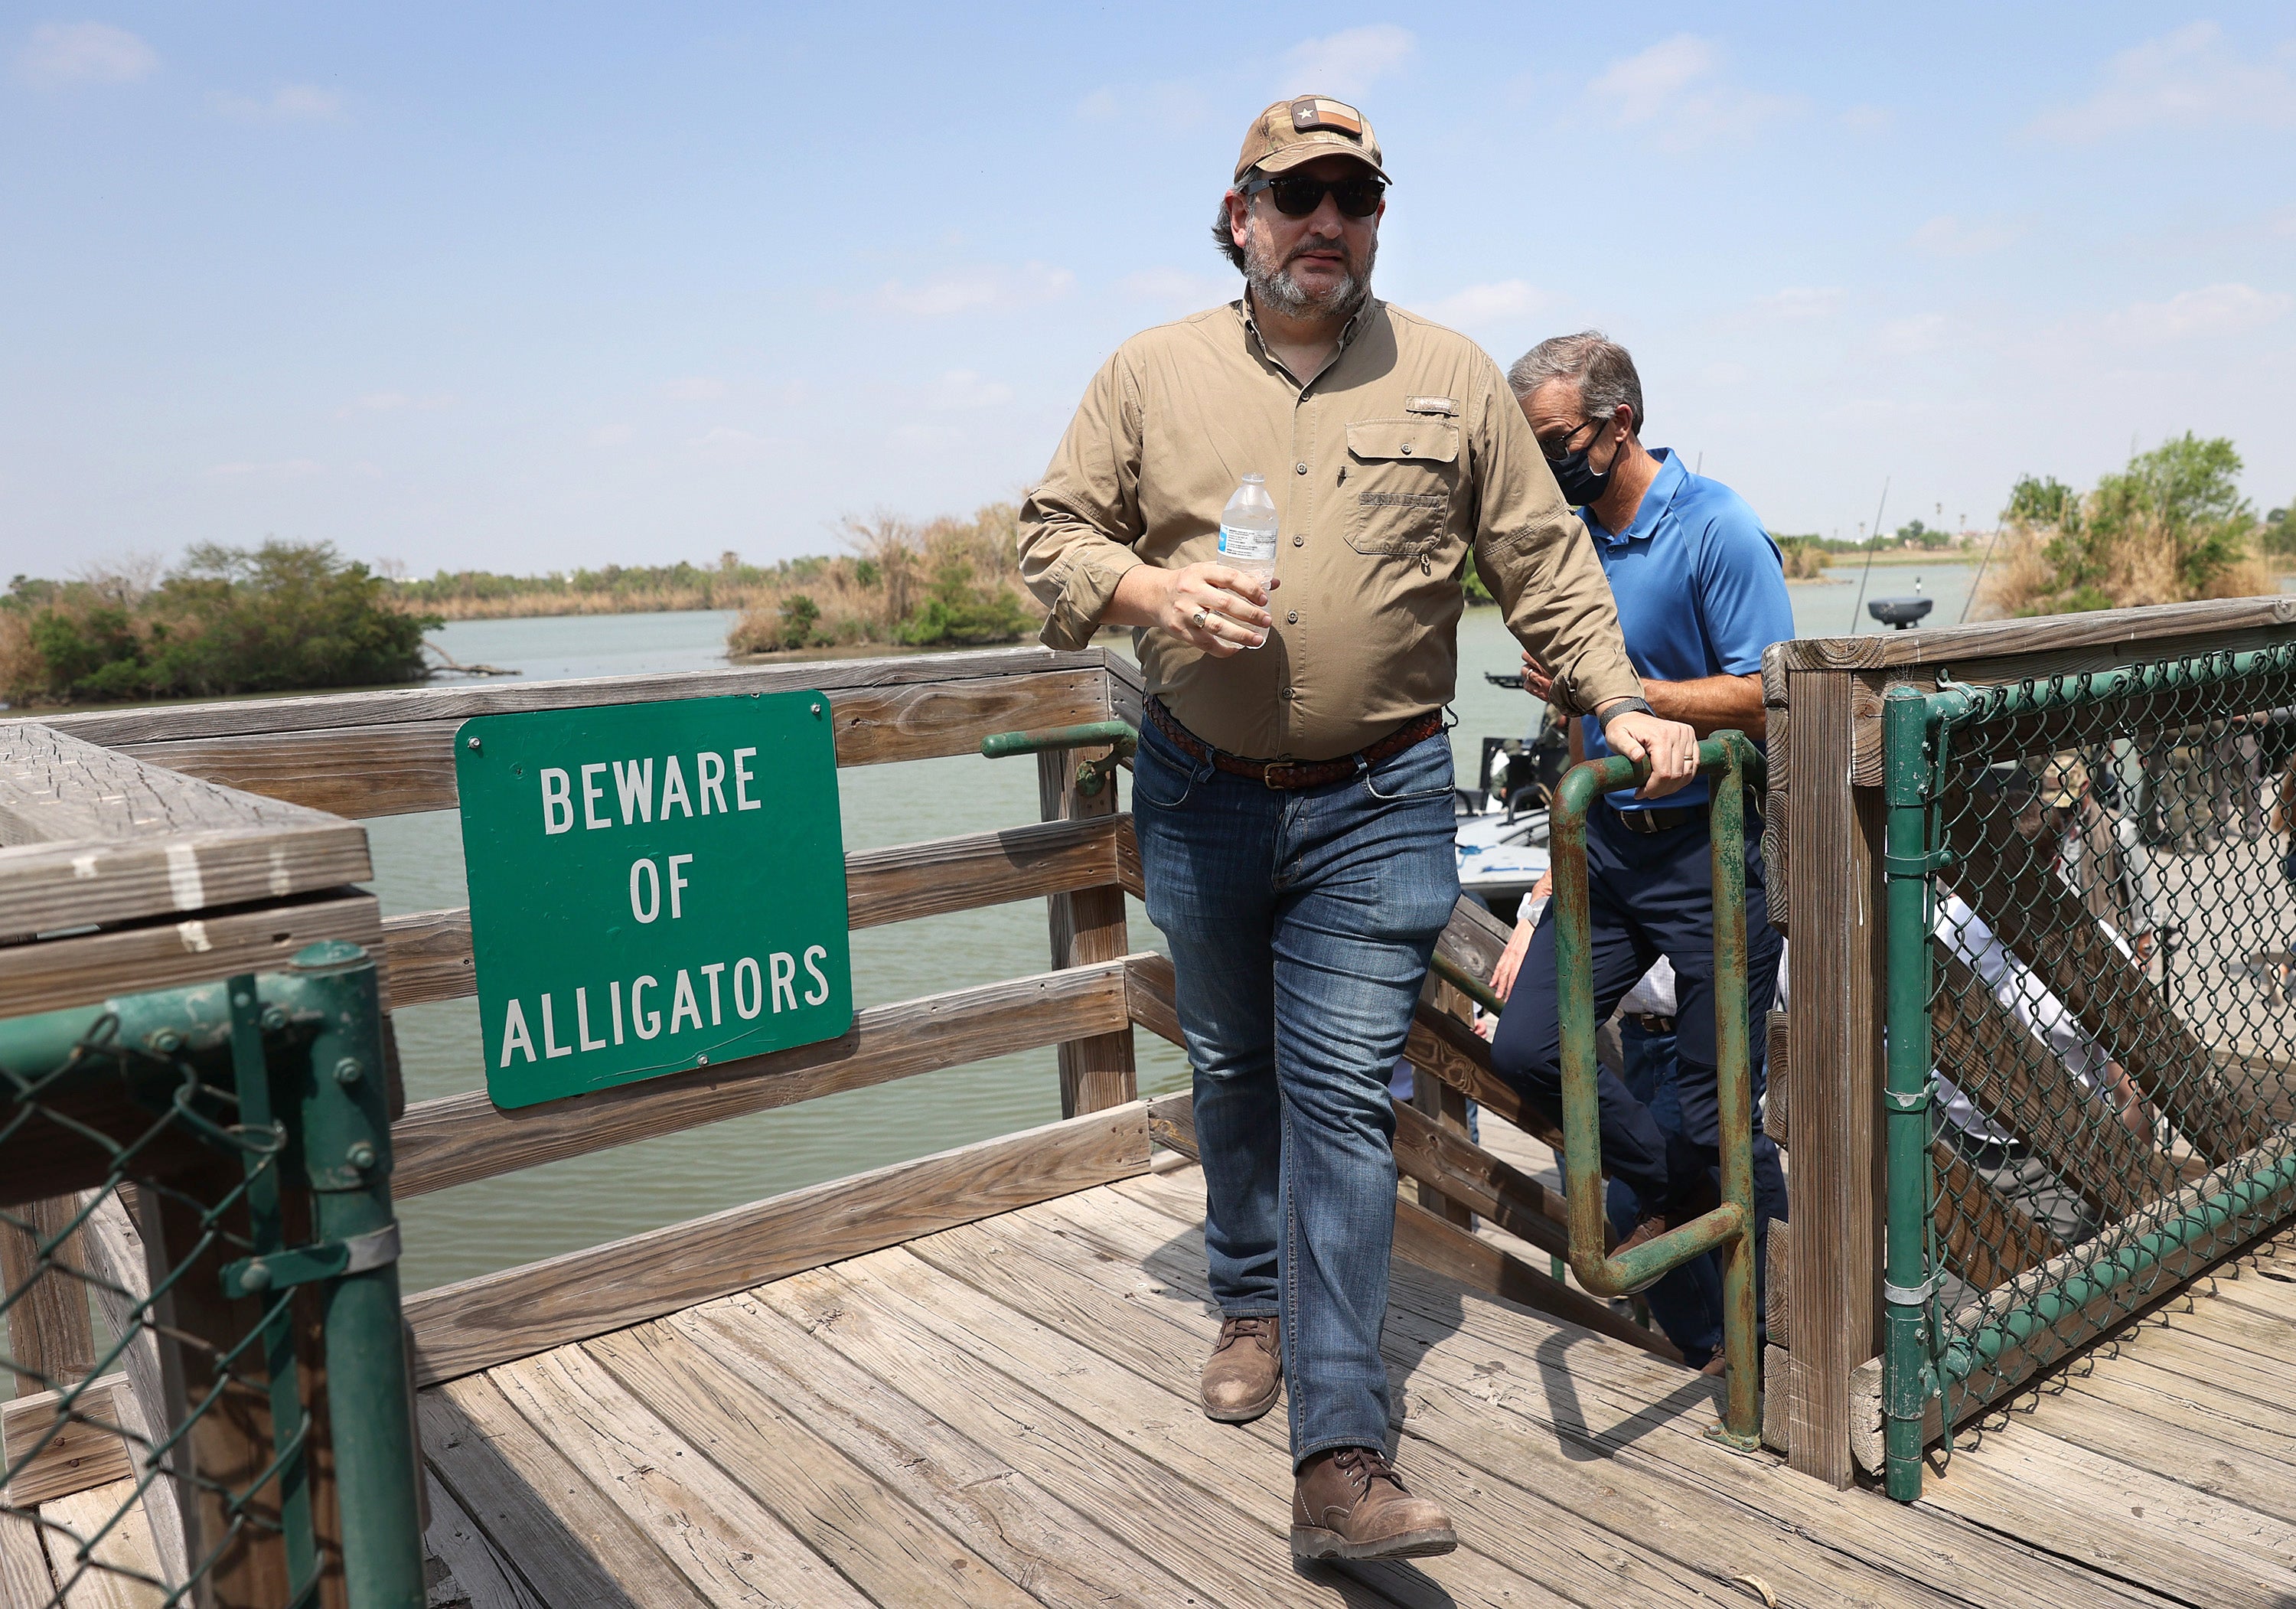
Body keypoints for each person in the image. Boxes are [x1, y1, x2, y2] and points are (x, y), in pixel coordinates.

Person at [1017, 97, 1697, 1561]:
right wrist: (1148, 596)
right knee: (1227, 1060)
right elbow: (1051, 538)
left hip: (1381, 802)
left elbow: (1542, 559)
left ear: (1376, 220)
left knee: (1338, 1099)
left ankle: (1339, 1453)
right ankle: (1248, 1299)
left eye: (1355, 199)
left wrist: (1620, 697)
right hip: (1198, 789)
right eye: (1298, 195)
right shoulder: (1149, 372)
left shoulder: (1450, 373)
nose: (1327, 222)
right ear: (1240, 211)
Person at [1485, 331, 1792, 1295]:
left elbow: (1771, 698)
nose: (1539, 465)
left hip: (1713, 848)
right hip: (1606, 849)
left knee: (1715, 1109)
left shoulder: (1719, 527)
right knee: (1528, 1048)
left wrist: (1631, 695)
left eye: (1551, 441)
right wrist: (1546, 868)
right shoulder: (1562, 543)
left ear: (1619, 426)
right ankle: (1666, 1188)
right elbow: (1579, 723)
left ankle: (1762, 1318)